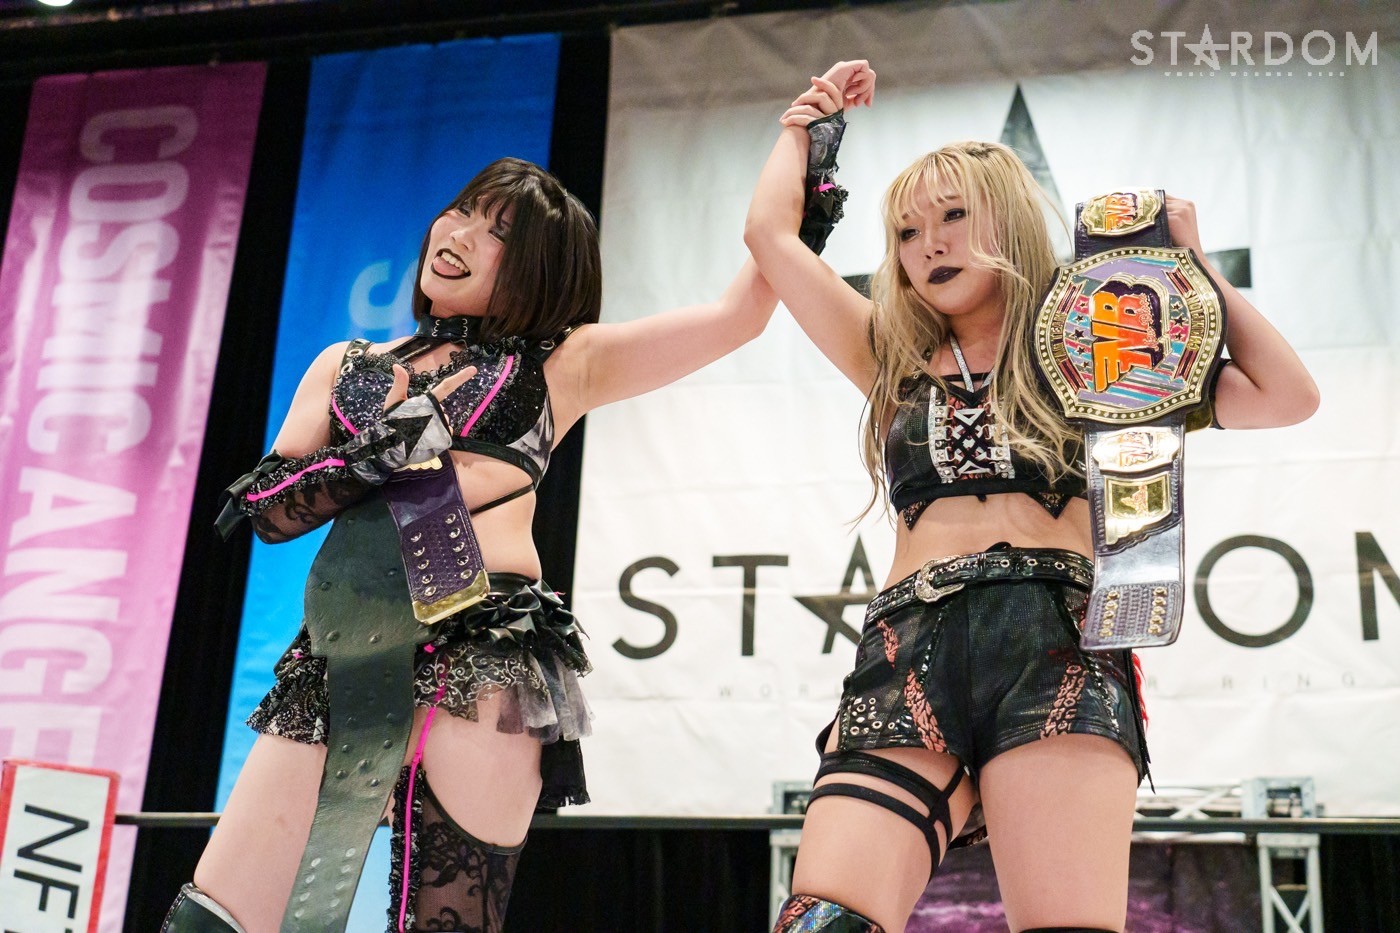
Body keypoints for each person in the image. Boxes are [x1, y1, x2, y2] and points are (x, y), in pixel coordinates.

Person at [745, 61, 1319, 933]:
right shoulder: (888, 354)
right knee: (822, 919)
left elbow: (1287, 396)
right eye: (906, 231)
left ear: (1006, 220)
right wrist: (806, 130)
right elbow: (769, 236)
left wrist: (1192, 269)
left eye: (951, 217)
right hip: (909, 644)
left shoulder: (1105, 353)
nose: (928, 244)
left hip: (1057, 646)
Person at [162, 157, 777, 933]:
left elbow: (739, 314)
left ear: (537, 273)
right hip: (347, 648)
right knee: (213, 918)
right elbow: (267, 509)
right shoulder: (348, 364)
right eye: (462, 211)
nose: (459, 234)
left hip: (486, 657)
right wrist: (382, 451)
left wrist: (805, 160)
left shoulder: (559, 365)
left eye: (499, 233)